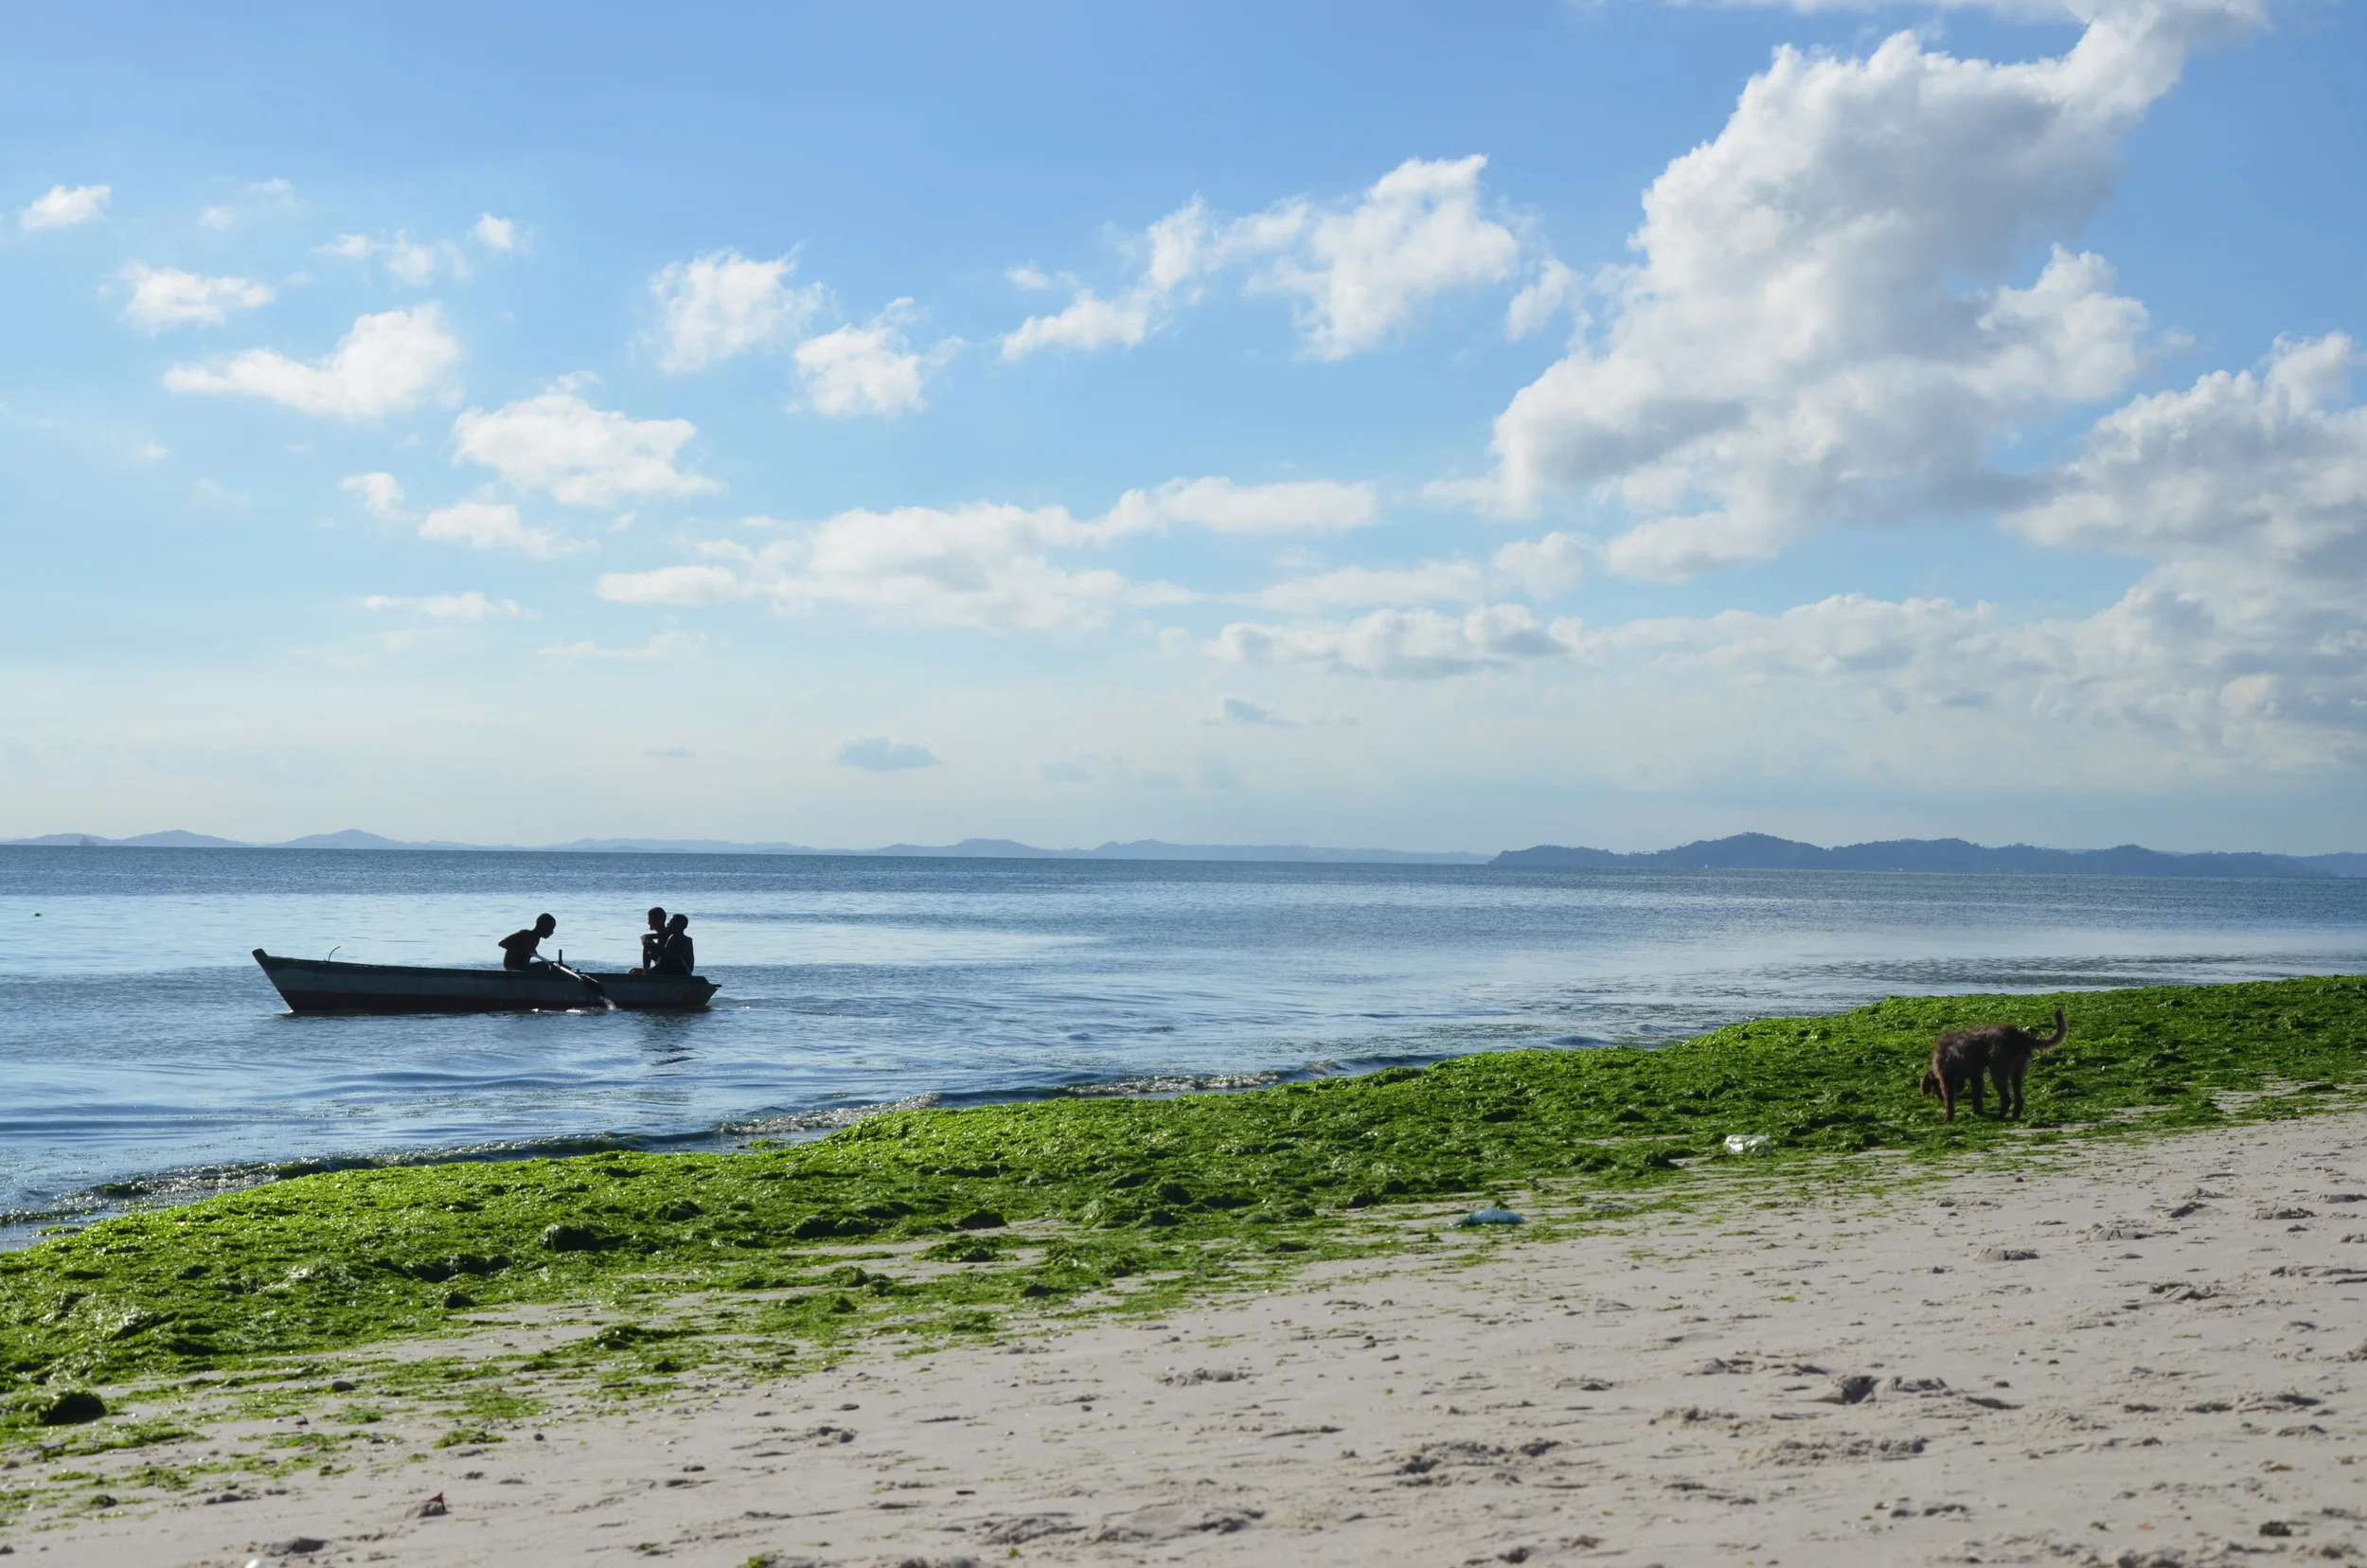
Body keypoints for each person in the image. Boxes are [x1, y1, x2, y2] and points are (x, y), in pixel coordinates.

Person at [651, 912, 695, 976]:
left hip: (682, 971)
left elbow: (668, 954)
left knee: (652, 947)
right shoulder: (686, 939)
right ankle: (653, 969)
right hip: (685, 971)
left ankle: (654, 970)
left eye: (670, 922)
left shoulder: (675, 937)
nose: (668, 924)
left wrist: (655, 946)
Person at [631, 906, 667, 974]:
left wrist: (647, 942)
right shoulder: (660, 934)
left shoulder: (666, 934)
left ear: (660, 920)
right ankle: (645, 969)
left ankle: (646, 970)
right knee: (647, 942)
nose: (648, 922)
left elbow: (664, 955)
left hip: (665, 967)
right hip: (660, 964)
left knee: (647, 943)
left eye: (650, 919)